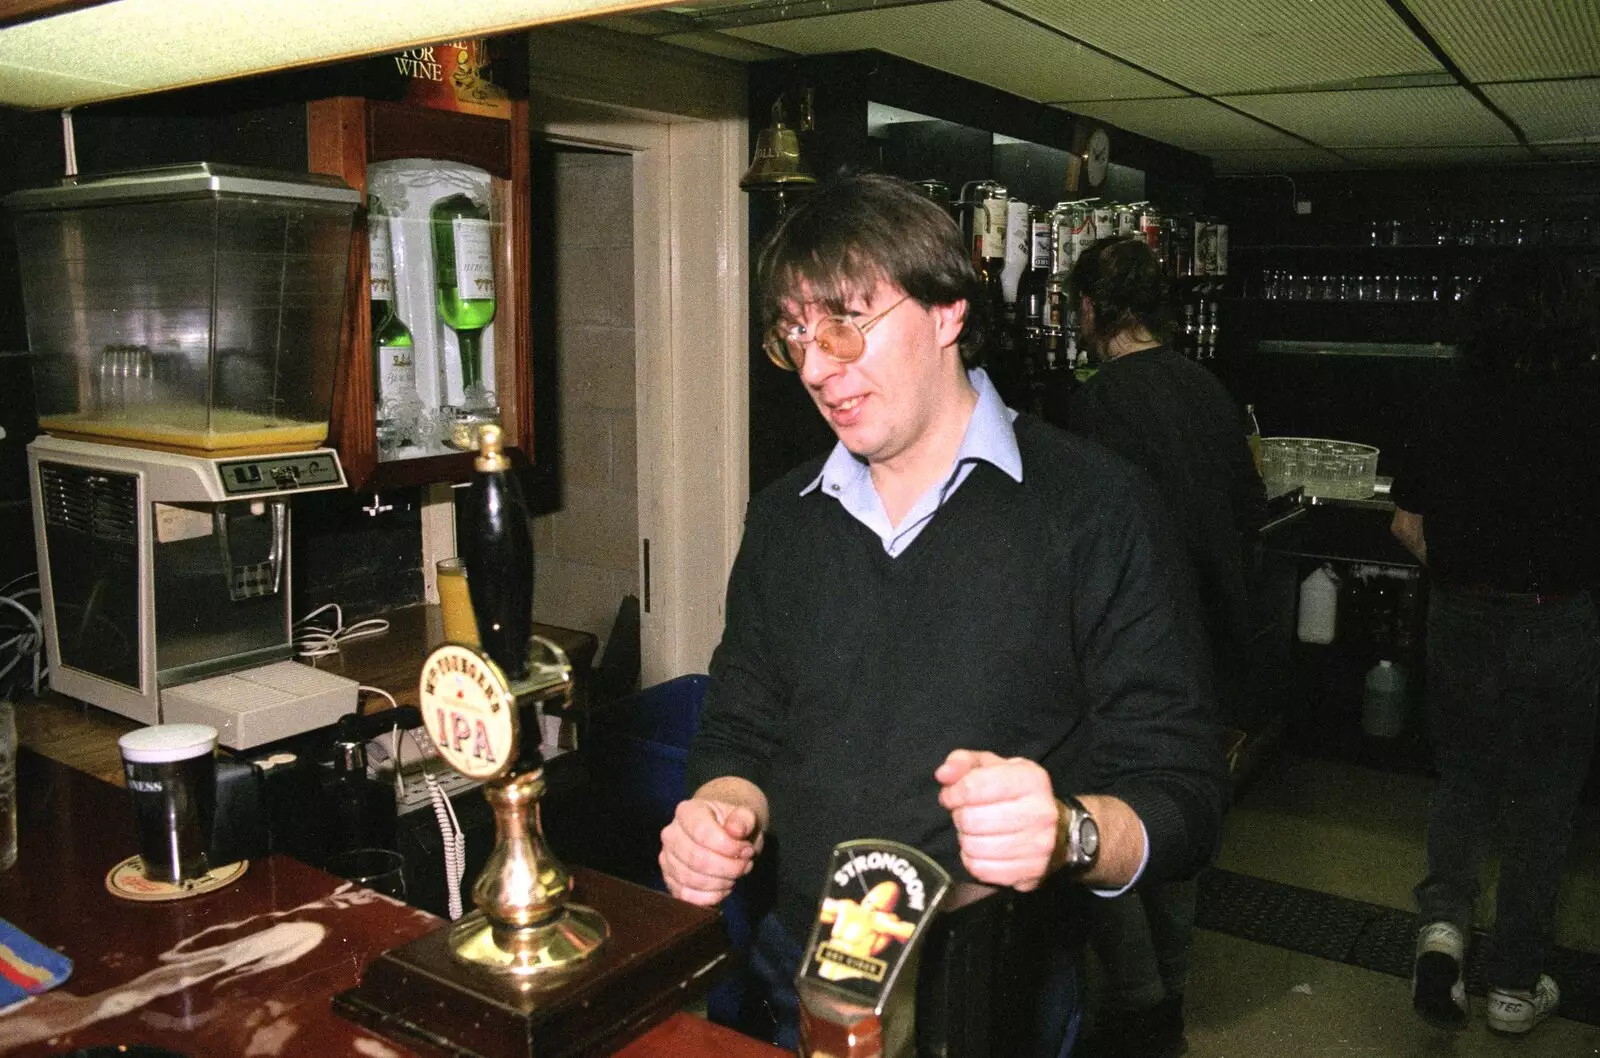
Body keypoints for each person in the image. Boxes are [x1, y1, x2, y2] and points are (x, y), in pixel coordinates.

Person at [658, 173, 1229, 1056]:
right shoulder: (784, 518)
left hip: (1000, 990)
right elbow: (739, 731)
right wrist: (720, 814)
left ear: (948, 312)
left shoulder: (1097, 507)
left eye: (846, 323)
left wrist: (1069, 832)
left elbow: (1184, 796)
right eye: (796, 335)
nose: (816, 366)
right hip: (801, 965)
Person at [1064, 236, 1265, 1058]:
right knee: (1176, 821)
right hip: (1210, 648)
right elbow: (1247, 504)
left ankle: (1138, 1007)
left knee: (1106, 823)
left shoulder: (1102, 401)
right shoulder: (1208, 388)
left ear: (1092, 310)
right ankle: (1171, 992)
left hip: (1132, 651)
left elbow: (1095, 542)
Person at [1392, 259, 1600, 1037]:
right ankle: (1513, 987)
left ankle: (1443, 934)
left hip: (1461, 617)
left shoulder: (1449, 395)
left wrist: (1461, 572)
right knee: (1544, 804)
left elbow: (1406, 524)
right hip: (1560, 621)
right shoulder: (1591, 402)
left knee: (1464, 782)